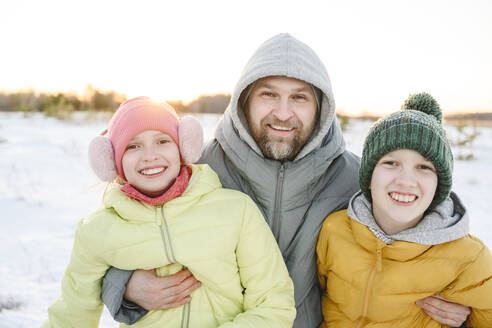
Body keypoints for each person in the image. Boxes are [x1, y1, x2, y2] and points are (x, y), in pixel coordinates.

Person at [102, 34, 472, 327]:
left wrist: (462, 304)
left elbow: (424, 235)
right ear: (244, 100)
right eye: (268, 95)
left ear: (321, 107)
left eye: (299, 97)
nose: (283, 112)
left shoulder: (356, 179)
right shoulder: (196, 167)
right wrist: (125, 285)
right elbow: (112, 235)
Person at [42, 97, 296, 327]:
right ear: (113, 160)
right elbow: (73, 313)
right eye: (133, 146)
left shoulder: (236, 211)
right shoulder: (97, 231)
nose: (149, 156)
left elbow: (273, 305)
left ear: (183, 148)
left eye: (162, 141)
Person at [317, 93, 492, 327]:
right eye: (391, 163)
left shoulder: (468, 258)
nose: (406, 181)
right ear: (369, 176)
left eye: (423, 167)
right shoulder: (334, 230)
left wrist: (467, 323)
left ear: (439, 184)